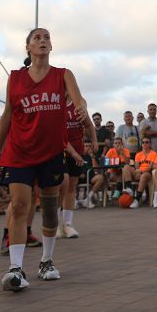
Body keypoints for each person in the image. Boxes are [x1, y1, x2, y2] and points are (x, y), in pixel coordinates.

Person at [0, 28, 89, 292]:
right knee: (20, 205)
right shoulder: (15, 78)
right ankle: (15, 268)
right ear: (28, 47)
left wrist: (81, 109)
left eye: (46, 37)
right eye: (37, 38)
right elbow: (7, 116)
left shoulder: (63, 74)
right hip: (19, 152)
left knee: (48, 210)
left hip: (51, 152)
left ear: (51, 46)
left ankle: (46, 262)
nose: (43, 41)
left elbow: (77, 98)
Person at [61, 100, 97, 237]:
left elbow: (88, 124)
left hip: (77, 148)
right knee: (62, 184)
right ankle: (55, 223)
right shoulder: (57, 101)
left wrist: (93, 140)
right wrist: (74, 153)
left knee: (72, 185)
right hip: (62, 150)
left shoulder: (80, 102)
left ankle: (67, 224)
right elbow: (59, 135)